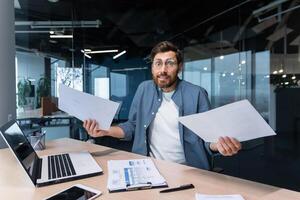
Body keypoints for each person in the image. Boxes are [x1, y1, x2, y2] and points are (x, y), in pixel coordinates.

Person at [83, 41, 241, 170]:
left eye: (169, 63)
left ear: (180, 67)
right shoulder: (144, 89)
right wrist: (104, 131)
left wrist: (220, 146)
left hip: (189, 170)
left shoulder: (197, 94)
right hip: (148, 167)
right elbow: (132, 127)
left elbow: (208, 139)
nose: (163, 70)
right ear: (152, 68)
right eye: (158, 64)